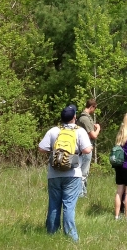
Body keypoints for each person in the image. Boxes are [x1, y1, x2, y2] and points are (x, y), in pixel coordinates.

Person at [38, 104, 92, 242]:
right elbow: (87, 150)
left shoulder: (53, 131)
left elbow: (41, 148)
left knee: (54, 205)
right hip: (73, 174)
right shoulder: (79, 131)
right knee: (69, 205)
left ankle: (51, 234)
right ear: (74, 117)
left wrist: (55, 152)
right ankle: (72, 237)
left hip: (54, 173)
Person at [77, 98, 101, 196]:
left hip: (83, 148)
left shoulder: (84, 118)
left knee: (83, 172)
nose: (94, 110)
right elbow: (93, 135)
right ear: (91, 107)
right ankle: (81, 194)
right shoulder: (85, 119)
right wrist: (98, 128)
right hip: (85, 149)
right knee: (83, 172)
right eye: (94, 108)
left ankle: (82, 192)